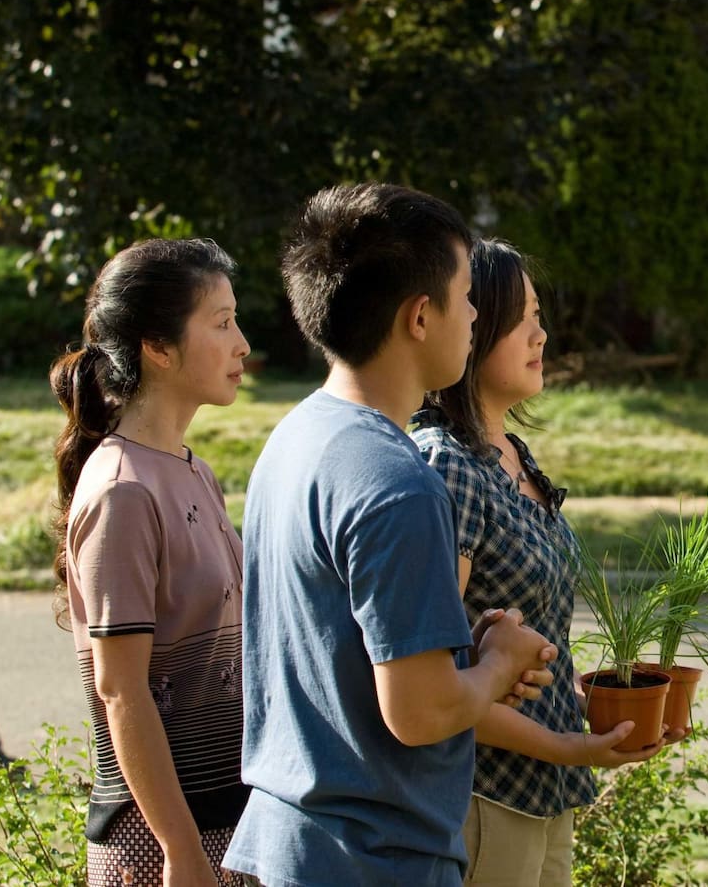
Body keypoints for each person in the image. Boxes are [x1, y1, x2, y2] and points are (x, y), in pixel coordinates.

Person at [222, 184, 556, 887]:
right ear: (420, 316)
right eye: (467, 295)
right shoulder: (397, 480)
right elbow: (420, 709)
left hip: (291, 844)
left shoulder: (294, 438)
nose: (475, 315)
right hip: (376, 860)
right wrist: (497, 664)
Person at [412, 238, 666, 886]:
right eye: (520, 317)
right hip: (487, 797)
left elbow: (524, 629)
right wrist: (568, 746)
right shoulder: (449, 464)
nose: (541, 334)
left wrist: (586, 700)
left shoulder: (513, 454)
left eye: (539, 314)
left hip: (547, 796)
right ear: (474, 325)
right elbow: (433, 678)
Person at [49, 238, 252, 887]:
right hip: (160, 845)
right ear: (157, 347)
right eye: (221, 324)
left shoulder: (195, 471)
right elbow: (121, 689)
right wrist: (180, 848)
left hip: (232, 823)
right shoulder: (122, 492)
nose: (242, 343)